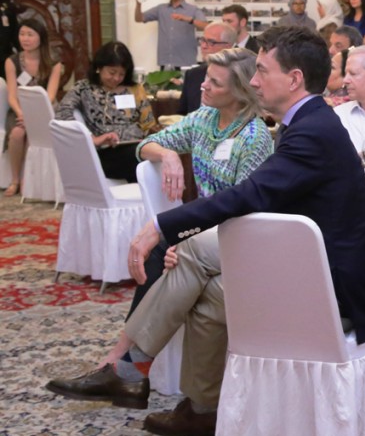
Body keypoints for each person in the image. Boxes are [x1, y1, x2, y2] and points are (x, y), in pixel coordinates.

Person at [46, 26, 365, 436]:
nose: (253, 81)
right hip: (301, 262)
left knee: (193, 259)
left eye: (262, 70)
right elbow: (265, 201)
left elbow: (251, 195)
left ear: (294, 79)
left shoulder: (312, 131)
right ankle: (192, 402)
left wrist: (160, 226)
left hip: (330, 286)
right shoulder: (307, 121)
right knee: (206, 287)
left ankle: (133, 371)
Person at [91, 47, 273, 368]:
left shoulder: (254, 138)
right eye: (206, 78)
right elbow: (144, 147)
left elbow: (242, 213)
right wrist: (168, 155)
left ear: (239, 92)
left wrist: (190, 242)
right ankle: (125, 362)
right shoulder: (204, 119)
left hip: (234, 234)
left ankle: (122, 362)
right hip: (204, 227)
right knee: (161, 248)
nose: (203, 86)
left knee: (162, 249)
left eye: (215, 83)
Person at [56, 42, 157, 183]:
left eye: (121, 74)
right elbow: (61, 113)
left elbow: (148, 123)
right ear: (99, 67)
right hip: (105, 152)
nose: (116, 78)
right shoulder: (84, 88)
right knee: (145, 158)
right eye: (112, 73)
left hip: (137, 146)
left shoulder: (135, 89)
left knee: (155, 153)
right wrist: (92, 139)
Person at [3, 19, 63, 196]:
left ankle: (28, 180)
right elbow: (12, 96)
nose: (25, 39)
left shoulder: (53, 62)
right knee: (17, 133)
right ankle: (15, 180)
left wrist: (34, 116)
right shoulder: (12, 61)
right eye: (22, 34)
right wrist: (21, 113)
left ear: (40, 38)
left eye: (30, 35)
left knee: (34, 135)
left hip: (44, 110)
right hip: (20, 110)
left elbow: (50, 96)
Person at [134, 0, 207, 69]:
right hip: (166, 63)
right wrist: (138, 4)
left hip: (186, 63)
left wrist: (188, 19)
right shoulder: (161, 9)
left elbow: (205, 26)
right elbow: (139, 18)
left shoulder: (193, 10)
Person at [178, 22, 236, 116]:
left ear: (228, 46)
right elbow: (182, 113)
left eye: (211, 42)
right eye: (202, 40)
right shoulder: (192, 75)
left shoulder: (238, 76)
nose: (203, 46)